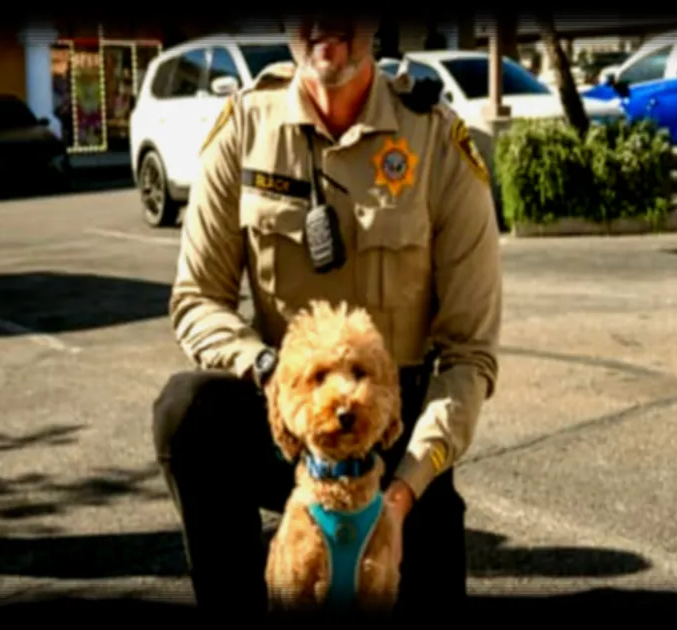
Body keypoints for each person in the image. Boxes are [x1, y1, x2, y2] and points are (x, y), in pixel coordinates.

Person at [151, 14, 502, 617]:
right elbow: (196, 300)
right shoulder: (244, 127)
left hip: (398, 437)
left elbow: (470, 353)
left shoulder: (437, 140)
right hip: (284, 416)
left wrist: (399, 497)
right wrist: (269, 371)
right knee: (188, 412)